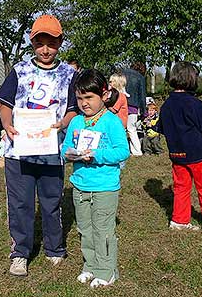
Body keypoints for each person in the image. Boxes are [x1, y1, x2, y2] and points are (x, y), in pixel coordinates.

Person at [0, 14, 78, 276]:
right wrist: (7, 124)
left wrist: (62, 123)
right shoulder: (19, 70)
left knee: (51, 201)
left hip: (51, 150)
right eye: (39, 43)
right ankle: (20, 252)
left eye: (51, 43)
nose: (45, 49)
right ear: (32, 43)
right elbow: (4, 103)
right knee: (20, 203)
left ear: (60, 42)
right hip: (18, 150)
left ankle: (54, 248)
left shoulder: (69, 73)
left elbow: (74, 109)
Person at [61, 69, 130, 288]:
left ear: (104, 94)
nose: (84, 103)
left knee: (103, 230)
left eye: (89, 97)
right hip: (80, 185)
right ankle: (90, 266)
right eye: (80, 98)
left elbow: (122, 151)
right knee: (85, 229)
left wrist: (97, 155)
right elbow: (65, 147)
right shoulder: (76, 122)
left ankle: (107, 270)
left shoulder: (111, 121)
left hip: (105, 187)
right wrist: (69, 153)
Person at [158, 61, 202, 231]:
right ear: (192, 79)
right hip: (197, 154)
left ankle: (179, 220)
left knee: (181, 187)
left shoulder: (166, 105)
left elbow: (161, 128)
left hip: (176, 155)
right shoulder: (194, 103)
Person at [123, 62, 146, 156]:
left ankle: (123, 150)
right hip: (133, 107)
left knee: (121, 129)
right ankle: (137, 151)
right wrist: (144, 112)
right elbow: (142, 96)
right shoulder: (140, 77)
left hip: (121, 105)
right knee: (132, 129)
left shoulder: (122, 73)